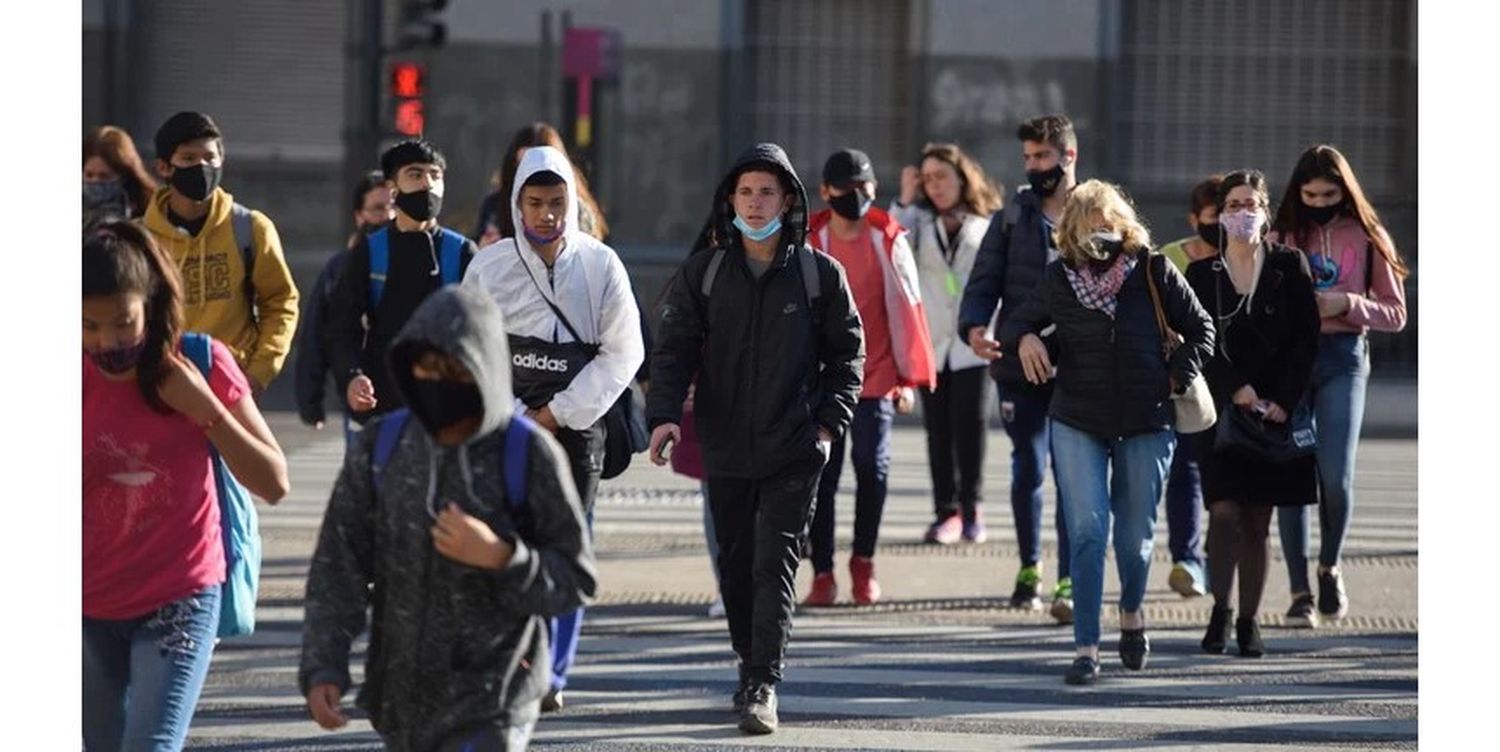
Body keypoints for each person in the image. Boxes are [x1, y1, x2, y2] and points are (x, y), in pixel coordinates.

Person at [300, 285, 597, 751]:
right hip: (400, 706)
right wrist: (324, 665)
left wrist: (502, 557)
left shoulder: (528, 453)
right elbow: (339, 566)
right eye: (426, 367)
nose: (437, 382)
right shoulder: (382, 446)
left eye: (454, 370)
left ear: (485, 368)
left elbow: (576, 578)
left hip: (495, 703)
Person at [646, 142, 864, 735]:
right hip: (725, 444)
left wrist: (826, 424)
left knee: (775, 565)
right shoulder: (707, 272)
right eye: (746, 192)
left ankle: (764, 680)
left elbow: (849, 357)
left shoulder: (820, 274)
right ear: (731, 201)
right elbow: (673, 352)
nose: (756, 201)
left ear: (788, 199)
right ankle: (749, 665)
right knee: (737, 567)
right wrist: (663, 416)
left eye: (767, 191)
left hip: (794, 446)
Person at [84, 222, 288, 750]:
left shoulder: (199, 362)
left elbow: (274, 481)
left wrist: (208, 412)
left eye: (122, 323)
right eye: (87, 325)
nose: (105, 343)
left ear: (149, 305)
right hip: (84, 604)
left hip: (178, 596)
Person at [1000, 180, 1213, 685]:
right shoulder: (1059, 279)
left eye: (1109, 222)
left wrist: (1174, 375)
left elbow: (1203, 329)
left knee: (1135, 538)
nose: (1101, 232)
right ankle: (1086, 646)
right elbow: (1013, 324)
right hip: (1078, 418)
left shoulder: (1155, 270)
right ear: (1072, 231)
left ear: (1124, 224)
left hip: (1147, 418)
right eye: (1090, 223)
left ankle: (1133, 613)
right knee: (1089, 531)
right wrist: (1027, 336)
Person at [462, 145, 643, 714]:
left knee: (568, 548)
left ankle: (553, 674)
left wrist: (557, 412)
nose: (547, 214)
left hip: (576, 425)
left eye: (557, 201)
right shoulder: (488, 267)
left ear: (573, 201)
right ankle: (513, 656)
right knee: (506, 544)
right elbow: (466, 349)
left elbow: (624, 351)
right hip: (505, 428)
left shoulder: (601, 265)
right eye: (535, 202)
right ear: (516, 205)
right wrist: (510, 414)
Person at [1268, 145, 1409, 627]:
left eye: (1329, 193)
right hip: (1290, 362)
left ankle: (1329, 564)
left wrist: (1347, 303)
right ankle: (1298, 590)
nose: (1319, 201)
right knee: (1292, 474)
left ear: (1344, 191)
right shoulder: (1281, 236)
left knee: (1335, 475)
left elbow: (1396, 313)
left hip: (1344, 358)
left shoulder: (1368, 235)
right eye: (1310, 194)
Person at [1186, 169, 1321, 657]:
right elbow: (1194, 343)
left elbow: (1306, 340)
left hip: (1276, 413)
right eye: (1234, 205)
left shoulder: (1290, 265)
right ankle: (1220, 610)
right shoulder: (1203, 275)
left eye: (1252, 204)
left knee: (1259, 520)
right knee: (1223, 512)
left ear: (1266, 212)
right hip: (1222, 411)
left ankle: (1249, 620)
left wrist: (1283, 398)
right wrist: (1235, 388)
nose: (1244, 213)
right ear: (1220, 215)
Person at [957, 114, 1079, 622]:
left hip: (1078, 366)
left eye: (1043, 157)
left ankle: (1071, 577)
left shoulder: (1096, 213)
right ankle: (1030, 567)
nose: (1033, 167)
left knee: (1073, 474)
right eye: (1028, 157)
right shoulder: (1015, 215)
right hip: (1017, 363)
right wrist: (975, 328)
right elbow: (986, 279)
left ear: (1068, 157)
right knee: (1028, 465)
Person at [802, 148, 936, 607]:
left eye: (865, 189)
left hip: (875, 376)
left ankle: (863, 562)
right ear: (825, 192)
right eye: (846, 189)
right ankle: (822, 572)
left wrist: (906, 378)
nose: (856, 197)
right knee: (822, 474)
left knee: (872, 471)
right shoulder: (810, 238)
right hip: (822, 380)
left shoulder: (888, 237)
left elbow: (908, 309)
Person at [891, 142, 1004, 546]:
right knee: (936, 429)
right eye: (929, 179)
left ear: (962, 178)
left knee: (969, 425)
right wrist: (905, 198)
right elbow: (892, 246)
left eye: (943, 177)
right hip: (931, 342)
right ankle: (946, 512)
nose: (936, 186)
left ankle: (973, 508)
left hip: (974, 341)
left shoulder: (987, 222)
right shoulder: (918, 222)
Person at [141, 111, 300, 395]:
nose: (202, 167)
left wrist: (258, 373)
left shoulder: (250, 228)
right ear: (164, 167)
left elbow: (280, 302)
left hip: (231, 385)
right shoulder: (140, 239)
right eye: (189, 159)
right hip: (162, 387)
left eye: (210, 158)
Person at [328, 139, 478, 429]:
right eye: (415, 174)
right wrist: (352, 376)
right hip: (383, 407)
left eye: (435, 175)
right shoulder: (370, 252)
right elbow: (341, 326)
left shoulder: (462, 253)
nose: (427, 184)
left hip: (447, 409)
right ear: (392, 189)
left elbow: (482, 331)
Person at [1152, 175, 1224, 598]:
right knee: (1185, 469)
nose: (1221, 226)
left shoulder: (1248, 257)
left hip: (1233, 382)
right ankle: (1187, 559)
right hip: (1187, 379)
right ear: (1195, 218)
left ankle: (1218, 558)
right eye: (1213, 217)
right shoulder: (1169, 258)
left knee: (1226, 477)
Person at [294, 171, 394, 436]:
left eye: (394, 207)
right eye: (377, 208)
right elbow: (317, 332)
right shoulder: (340, 269)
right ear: (359, 216)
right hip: (360, 397)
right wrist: (311, 400)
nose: (387, 216)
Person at [474, 122, 610, 245]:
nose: (545, 215)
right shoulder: (495, 207)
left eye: (556, 203)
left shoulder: (578, 210)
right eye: (522, 166)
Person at [84, 125, 159, 228]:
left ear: (124, 177)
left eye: (104, 176)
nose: (95, 182)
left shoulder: (151, 216)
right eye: (89, 175)